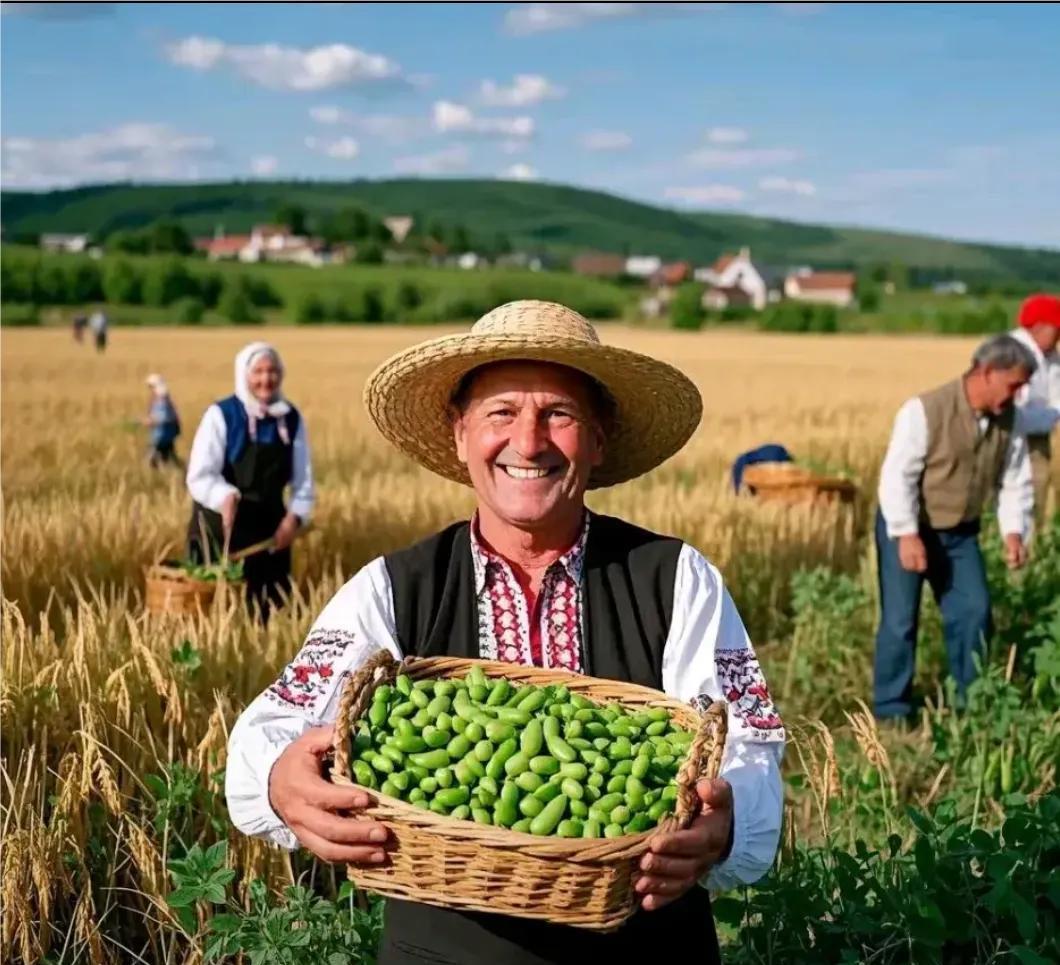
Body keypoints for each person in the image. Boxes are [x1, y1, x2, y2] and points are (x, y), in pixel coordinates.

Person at [225, 301, 785, 964]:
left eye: (559, 414)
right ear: (460, 434)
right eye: (501, 412)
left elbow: (751, 744)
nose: (529, 441)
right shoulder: (392, 589)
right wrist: (280, 782)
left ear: (599, 439)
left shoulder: (676, 578)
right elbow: (272, 724)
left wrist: (727, 824)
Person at [874, 333, 1036, 722]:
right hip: (909, 524)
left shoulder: (1008, 420)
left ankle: (971, 701)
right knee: (900, 619)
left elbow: (1014, 479)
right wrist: (907, 533)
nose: (1016, 395)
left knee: (975, 610)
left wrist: (1014, 531)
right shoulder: (924, 411)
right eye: (1013, 384)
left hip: (960, 532)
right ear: (986, 372)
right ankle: (891, 709)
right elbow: (898, 477)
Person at [185, 341, 315, 618]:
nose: (266, 379)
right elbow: (199, 475)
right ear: (244, 375)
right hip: (220, 528)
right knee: (213, 612)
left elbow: (303, 481)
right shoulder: (222, 415)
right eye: (258, 372)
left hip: (269, 530)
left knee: (267, 610)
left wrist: (293, 520)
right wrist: (223, 495)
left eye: (272, 371)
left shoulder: (290, 419)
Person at [1010, 293, 1060, 524]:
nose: (1059, 336)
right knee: (1017, 500)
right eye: (1056, 329)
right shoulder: (1014, 352)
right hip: (1011, 439)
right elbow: (1016, 413)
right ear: (1039, 326)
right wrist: (1052, 417)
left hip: (1040, 437)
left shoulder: (1051, 355)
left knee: (1037, 499)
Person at [143, 373, 182, 468]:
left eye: (151, 387)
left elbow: (164, 417)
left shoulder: (161, 400)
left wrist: (150, 421)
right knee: (170, 459)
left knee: (150, 461)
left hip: (161, 436)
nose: (150, 390)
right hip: (166, 435)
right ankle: (185, 473)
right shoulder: (163, 399)